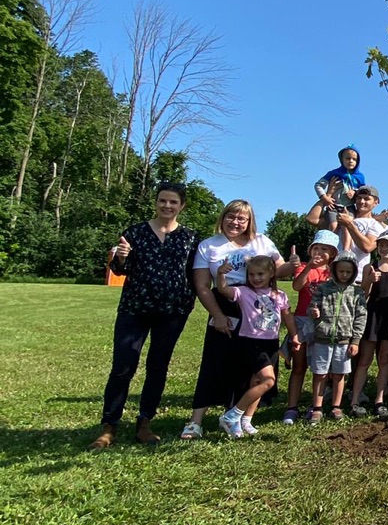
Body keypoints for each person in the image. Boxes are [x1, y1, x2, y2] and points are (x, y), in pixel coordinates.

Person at [89, 182, 199, 449]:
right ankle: (109, 426)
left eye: (173, 202)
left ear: (181, 206)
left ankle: (145, 422)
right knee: (123, 367)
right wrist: (123, 257)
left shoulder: (191, 238)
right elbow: (119, 269)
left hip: (173, 311)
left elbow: (196, 273)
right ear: (156, 202)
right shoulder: (135, 232)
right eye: (163, 200)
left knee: (158, 366)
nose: (167, 206)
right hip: (135, 308)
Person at [183, 200, 298, 440]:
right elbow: (203, 286)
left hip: (260, 306)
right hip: (227, 303)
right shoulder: (209, 245)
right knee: (215, 361)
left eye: (242, 218)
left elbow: (280, 271)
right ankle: (195, 421)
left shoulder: (262, 241)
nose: (236, 222)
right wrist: (217, 315)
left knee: (255, 368)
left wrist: (293, 264)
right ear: (223, 217)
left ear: (249, 221)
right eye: (231, 217)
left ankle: (242, 418)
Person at [214, 256, 298, 437]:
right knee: (268, 380)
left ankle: (246, 420)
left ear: (271, 274)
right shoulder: (243, 292)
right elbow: (223, 290)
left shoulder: (280, 295)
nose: (256, 278)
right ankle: (232, 415)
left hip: (271, 343)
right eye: (251, 274)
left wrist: (294, 336)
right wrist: (221, 274)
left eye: (260, 274)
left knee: (257, 382)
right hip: (251, 343)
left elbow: (287, 317)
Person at [350, 229, 388, 417]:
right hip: (373, 316)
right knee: (365, 359)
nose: (385, 248)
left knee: (385, 359)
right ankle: (354, 399)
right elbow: (363, 294)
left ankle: (379, 400)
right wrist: (369, 280)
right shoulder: (371, 266)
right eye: (382, 245)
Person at [282, 230, 339, 425]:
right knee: (298, 367)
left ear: (332, 253)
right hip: (301, 321)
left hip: (323, 325)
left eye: (325, 249)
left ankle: (316, 407)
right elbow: (297, 286)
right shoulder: (305, 267)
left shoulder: (334, 273)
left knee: (320, 368)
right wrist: (307, 269)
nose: (319, 252)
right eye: (316, 247)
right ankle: (291, 408)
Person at [305, 253, 368, 423]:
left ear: (354, 273)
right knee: (320, 373)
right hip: (323, 338)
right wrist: (314, 312)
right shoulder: (324, 288)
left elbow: (361, 317)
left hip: (344, 341)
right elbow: (312, 307)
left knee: (340, 374)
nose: (344, 275)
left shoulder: (356, 291)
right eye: (341, 271)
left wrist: (355, 341)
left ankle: (336, 406)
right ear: (334, 270)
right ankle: (317, 407)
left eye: (348, 272)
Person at [340, 185, 386, 282]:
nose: (361, 202)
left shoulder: (375, 225)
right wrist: (325, 196)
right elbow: (312, 219)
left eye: (366, 199)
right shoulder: (344, 215)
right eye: (359, 198)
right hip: (334, 275)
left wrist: (349, 224)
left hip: (356, 277)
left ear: (376, 202)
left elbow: (367, 247)